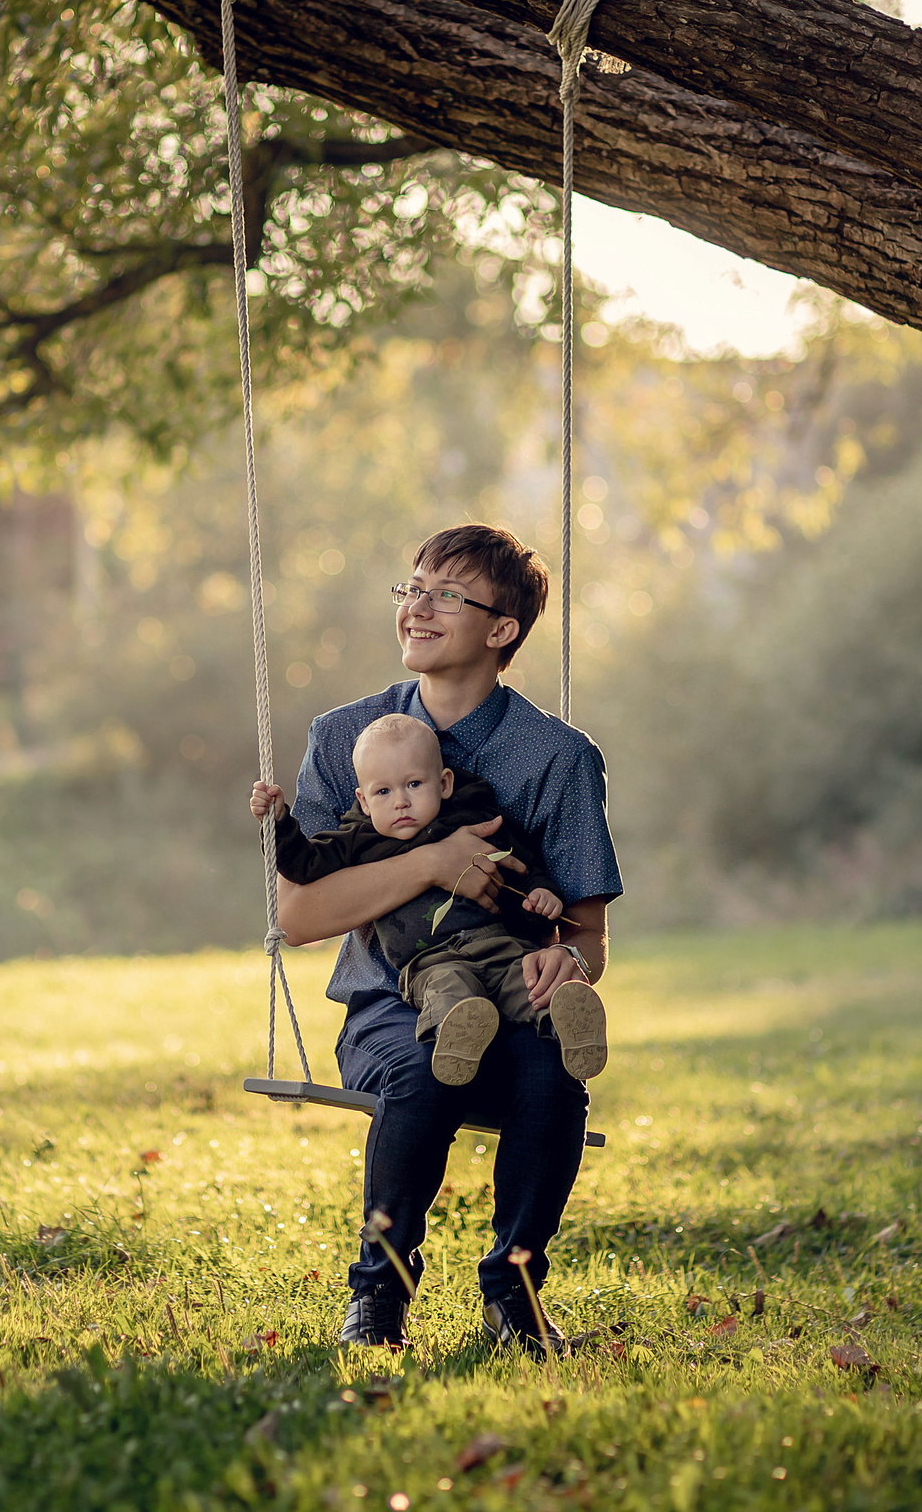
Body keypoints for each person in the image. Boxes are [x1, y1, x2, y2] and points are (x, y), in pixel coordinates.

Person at [269, 522, 621, 1356]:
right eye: (411, 586)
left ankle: (516, 1290)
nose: (416, 606)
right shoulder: (346, 738)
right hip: (391, 1000)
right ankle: (379, 1297)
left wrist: (566, 957)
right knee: (423, 1072)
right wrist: (434, 862)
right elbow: (301, 918)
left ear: (501, 631)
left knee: (554, 1077)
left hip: (510, 990)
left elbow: (592, 935)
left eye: (445, 594)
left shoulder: (556, 756)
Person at [251, 713, 609, 1086]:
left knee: (531, 990)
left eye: (414, 784)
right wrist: (278, 823)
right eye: (383, 792)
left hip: (499, 946)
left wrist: (541, 894)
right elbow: (304, 864)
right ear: (365, 800)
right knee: (448, 991)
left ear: (444, 783)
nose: (401, 802)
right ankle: (459, 1038)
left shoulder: (473, 819)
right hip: (429, 960)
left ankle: (571, 1026)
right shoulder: (359, 840)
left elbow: (519, 861)